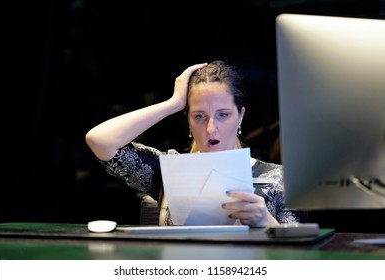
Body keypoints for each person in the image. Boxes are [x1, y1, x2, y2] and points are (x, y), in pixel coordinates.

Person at [85, 60, 299, 227]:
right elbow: (100, 140)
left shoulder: (278, 179)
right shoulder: (170, 169)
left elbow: (301, 259)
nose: (210, 128)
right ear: (187, 120)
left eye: (223, 114)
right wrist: (173, 103)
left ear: (240, 116)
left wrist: (267, 222)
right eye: (199, 116)